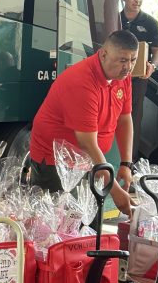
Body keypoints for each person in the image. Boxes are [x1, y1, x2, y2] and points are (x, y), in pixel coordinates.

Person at [28, 30, 137, 215]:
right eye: (123, 60)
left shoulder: (122, 77)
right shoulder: (82, 82)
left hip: (90, 161)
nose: (128, 67)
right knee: (61, 225)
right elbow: (87, 144)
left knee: (89, 220)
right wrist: (115, 190)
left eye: (133, 60)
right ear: (103, 54)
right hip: (57, 162)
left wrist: (126, 164)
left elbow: (124, 118)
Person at [120, 0, 158, 161]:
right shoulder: (114, 19)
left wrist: (152, 66)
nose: (137, 0)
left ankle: (130, 161)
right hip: (115, 78)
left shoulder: (150, 22)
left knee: (133, 119)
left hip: (138, 79)